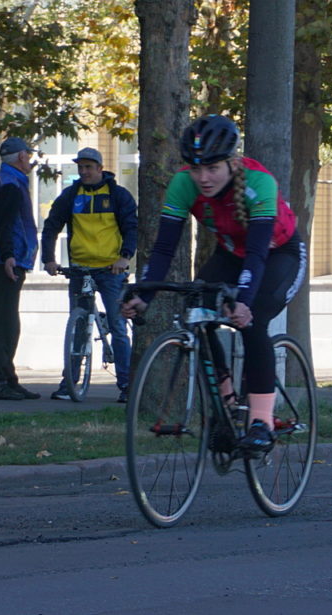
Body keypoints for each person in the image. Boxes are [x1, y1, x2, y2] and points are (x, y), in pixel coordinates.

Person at [121, 115, 305, 456]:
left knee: (253, 321)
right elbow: (163, 248)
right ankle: (227, 407)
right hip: (230, 253)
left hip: (278, 254)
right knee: (197, 307)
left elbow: (256, 254)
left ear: (232, 162)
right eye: (195, 169)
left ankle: (261, 423)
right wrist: (144, 294)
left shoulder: (259, 183)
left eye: (212, 168)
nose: (203, 178)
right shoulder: (183, 185)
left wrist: (244, 302)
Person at [41, 147, 138, 403]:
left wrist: (124, 257)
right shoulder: (71, 195)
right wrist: (48, 259)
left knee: (118, 326)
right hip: (80, 269)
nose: (83, 172)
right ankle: (69, 383)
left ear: (99, 168)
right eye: (80, 167)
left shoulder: (118, 195)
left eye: (88, 167)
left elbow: (131, 228)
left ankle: (127, 385)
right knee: (78, 326)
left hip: (110, 270)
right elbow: (51, 226)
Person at [0, 137, 40, 401]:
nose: (30, 159)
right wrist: (8, 256)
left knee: (9, 321)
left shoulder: (7, 180)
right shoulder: (10, 185)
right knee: (4, 323)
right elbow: (5, 225)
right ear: (21, 158)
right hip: (5, 261)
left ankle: (9, 378)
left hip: (5, 259)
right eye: (28, 155)